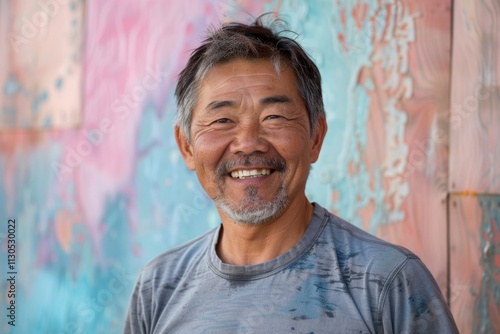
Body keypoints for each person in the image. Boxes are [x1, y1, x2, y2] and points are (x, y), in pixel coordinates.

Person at [123, 15, 459, 334]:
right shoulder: (158, 287)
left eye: (274, 117)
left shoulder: (387, 282)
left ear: (316, 137)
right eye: (222, 120)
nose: (248, 143)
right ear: (186, 147)